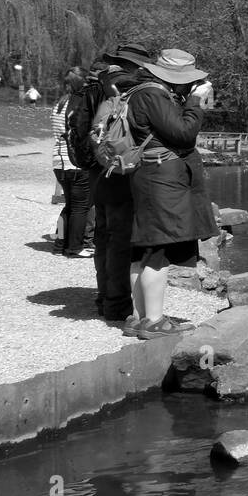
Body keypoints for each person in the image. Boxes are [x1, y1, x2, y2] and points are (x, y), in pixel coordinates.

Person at [120, 49, 217, 339]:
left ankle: (139, 317)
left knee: (142, 250)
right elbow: (184, 134)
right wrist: (196, 102)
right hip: (160, 179)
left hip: (150, 175)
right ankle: (154, 321)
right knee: (157, 250)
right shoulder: (153, 95)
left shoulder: (141, 92)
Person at [89, 44, 154, 322]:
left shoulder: (98, 91)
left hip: (101, 171)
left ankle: (105, 297)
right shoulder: (129, 92)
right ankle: (117, 303)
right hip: (122, 173)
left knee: (104, 237)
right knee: (120, 240)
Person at [52, 68, 94, 257]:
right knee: (80, 207)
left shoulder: (59, 104)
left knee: (68, 205)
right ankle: (74, 246)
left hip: (58, 160)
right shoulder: (79, 104)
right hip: (74, 160)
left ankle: (60, 243)